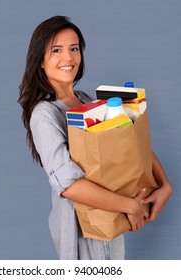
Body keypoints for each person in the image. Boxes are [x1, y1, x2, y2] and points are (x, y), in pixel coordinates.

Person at [18, 15, 172, 260]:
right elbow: (68, 186)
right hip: (82, 230)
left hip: (111, 218)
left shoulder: (87, 100)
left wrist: (164, 184)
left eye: (74, 48)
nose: (68, 58)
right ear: (41, 61)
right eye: (56, 50)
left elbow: (129, 145)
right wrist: (131, 206)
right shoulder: (44, 114)